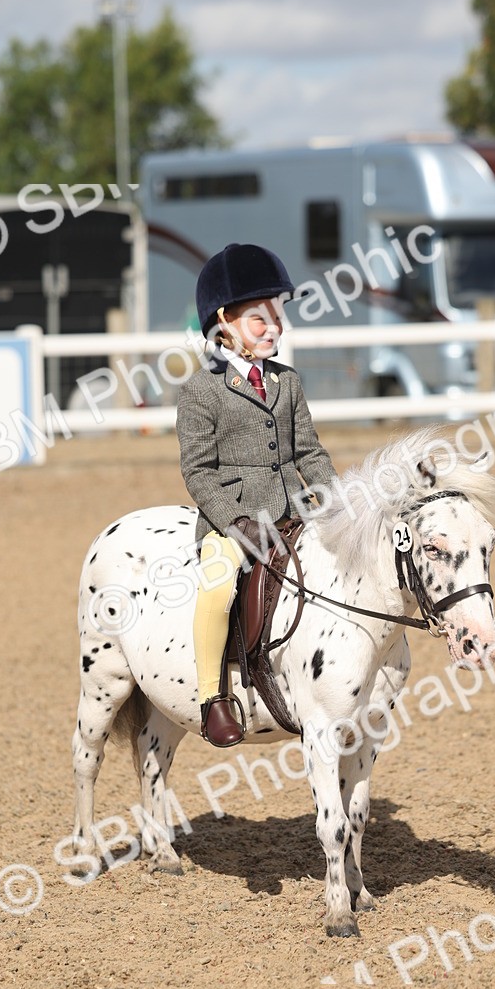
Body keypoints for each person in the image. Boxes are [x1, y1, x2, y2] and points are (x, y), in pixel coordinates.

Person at [176, 243, 338, 748]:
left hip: (292, 508)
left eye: (279, 315)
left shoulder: (288, 383)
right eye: (260, 318)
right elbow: (198, 471)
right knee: (219, 585)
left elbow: (309, 453)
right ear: (224, 321)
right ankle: (212, 698)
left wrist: (339, 502)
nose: (275, 327)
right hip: (233, 519)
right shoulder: (202, 391)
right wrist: (236, 522)